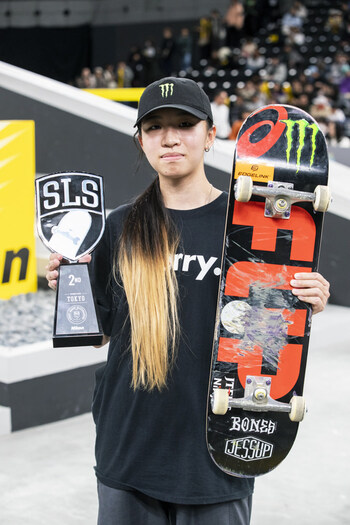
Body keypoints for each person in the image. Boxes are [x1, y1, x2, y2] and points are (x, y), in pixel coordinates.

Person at [46, 76, 330, 525]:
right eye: (155, 127)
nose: (170, 137)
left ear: (211, 136)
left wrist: (301, 305)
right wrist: (70, 289)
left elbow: (265, 344)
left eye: (185, 123)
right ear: (140, 140)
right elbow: (97, 335)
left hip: (217, 452)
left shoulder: (254, 230)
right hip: (129, 447)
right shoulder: (116, 227)